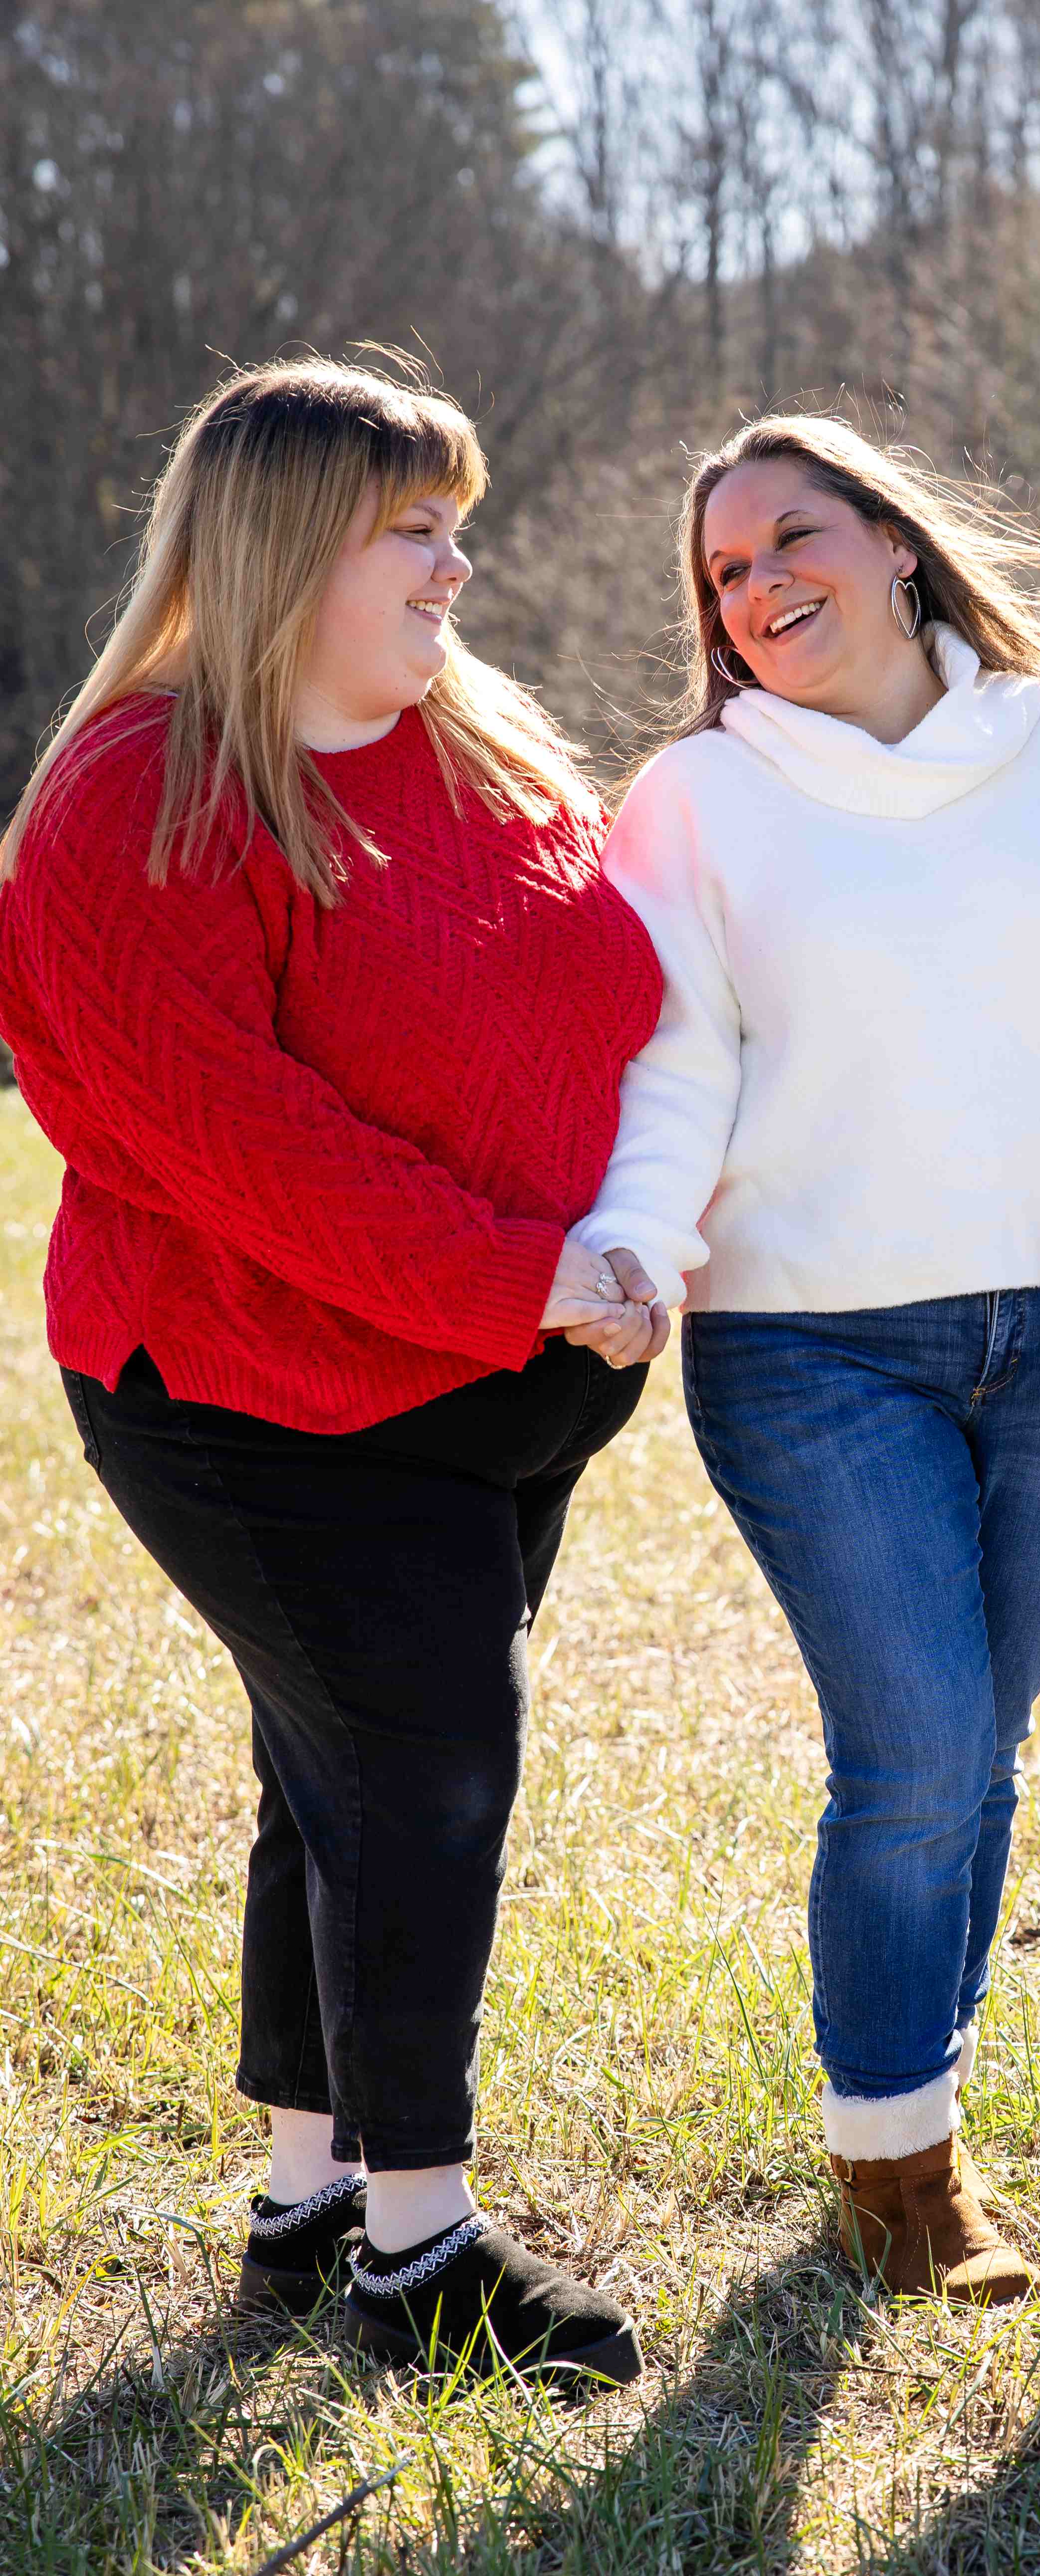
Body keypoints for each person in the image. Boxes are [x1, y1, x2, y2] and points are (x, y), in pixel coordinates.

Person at [575, 412, 1040, 2303]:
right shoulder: (700, 798)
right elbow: (681, 1064)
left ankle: (921, 2100)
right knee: (915, 1748)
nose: (755, 588)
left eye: (789, 538)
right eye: (722, 573)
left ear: (901, 545)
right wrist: (634, 1241)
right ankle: (896, 2165)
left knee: (979, 1750)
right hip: (814, 1347)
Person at [0, 358, 667, 2386]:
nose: (462, 563)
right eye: (420, 527)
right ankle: (417, 2254)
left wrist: (614, 1247)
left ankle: (305, 2194)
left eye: (459, 521)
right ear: (290, 543)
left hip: (498, 1388)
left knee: (339, 1770)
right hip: (253, 1394)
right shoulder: (143, 792)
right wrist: (525, 1271)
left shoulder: (476, 750)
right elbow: (228, 1140)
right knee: (421, 1769)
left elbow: (622, 1002)